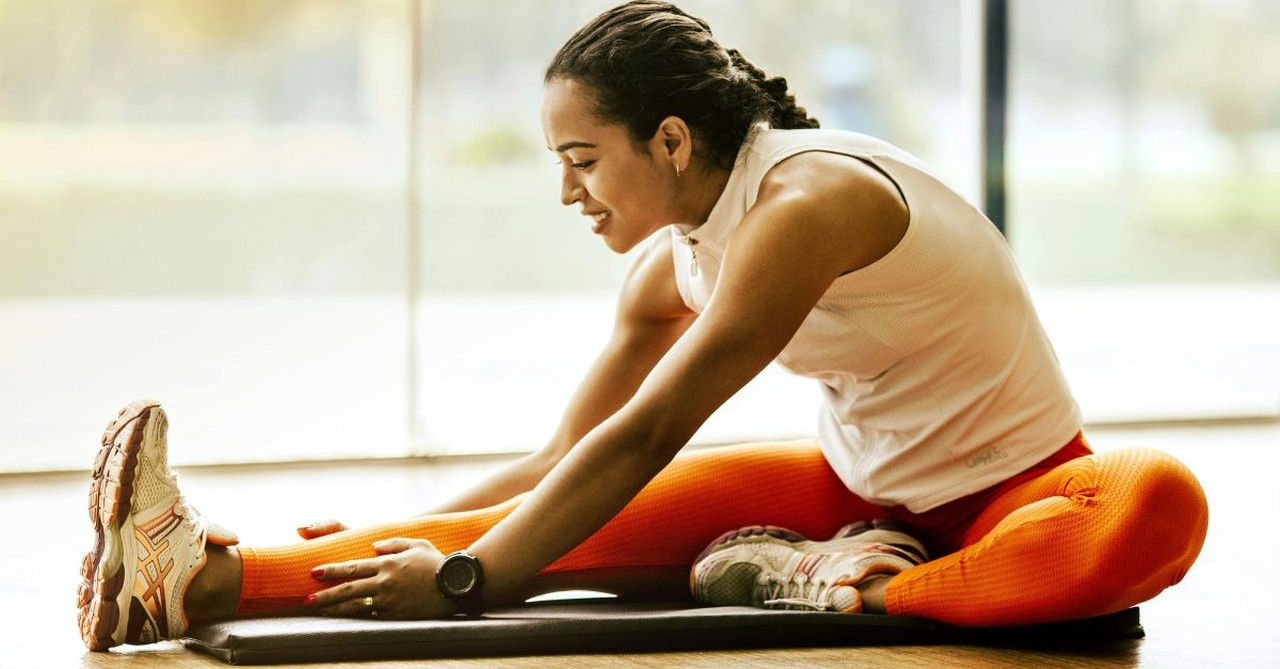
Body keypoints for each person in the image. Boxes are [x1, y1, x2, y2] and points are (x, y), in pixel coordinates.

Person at [77, 0, 1208, 652]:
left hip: (1022, 493)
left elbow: (655, 426)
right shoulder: (672, 263)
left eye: (582, 160)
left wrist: (474, 580)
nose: (568, 192)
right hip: (856, 496)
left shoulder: (806, 207)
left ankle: (847, 587)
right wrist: (404, 533)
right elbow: (564, 464)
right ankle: (181, 580)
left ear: (669, 140)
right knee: (534, 520)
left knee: (1159, 503)